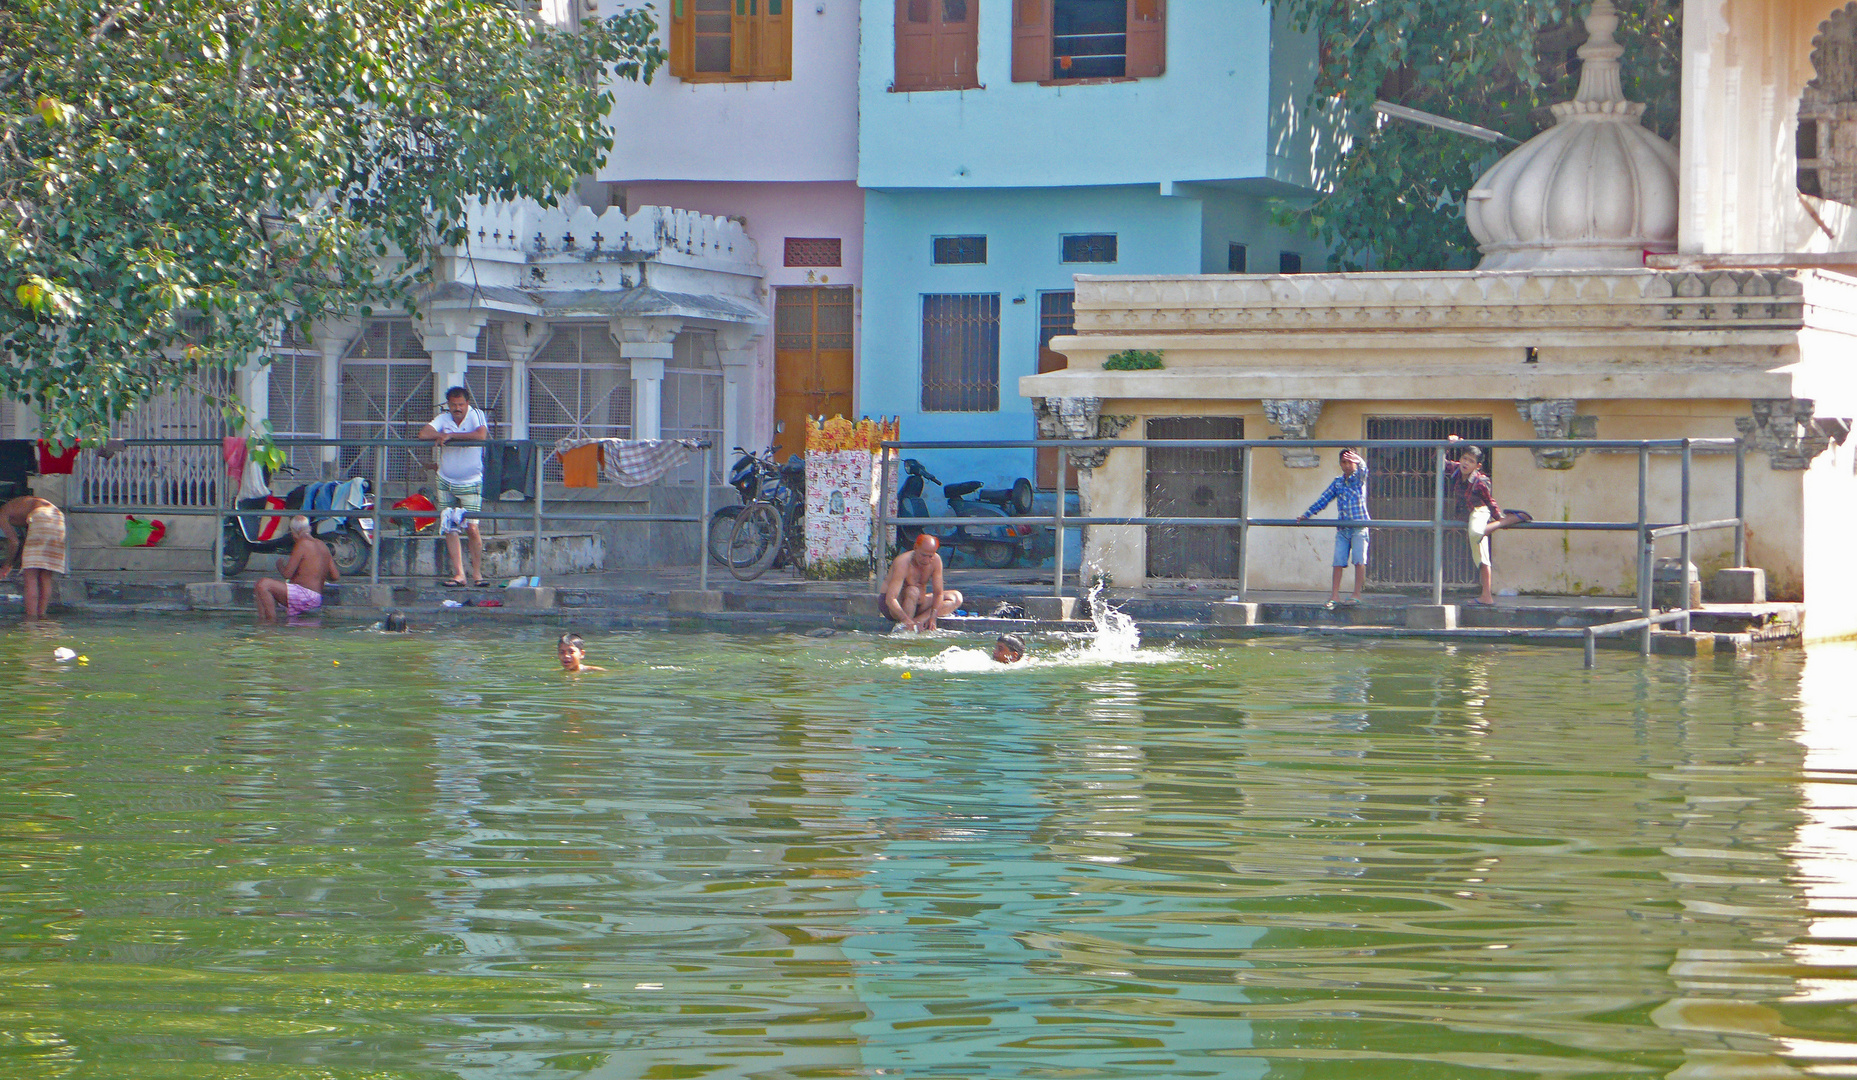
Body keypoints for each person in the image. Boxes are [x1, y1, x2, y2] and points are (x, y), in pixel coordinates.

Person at [1444, 437, 1531, 606]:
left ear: (1477, 466)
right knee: (1481, 556)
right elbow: (1439, 463)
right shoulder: (1456, 470)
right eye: (1464, 458)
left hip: (1480, 512)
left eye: (1471, 461)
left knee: (1477, 533)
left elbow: (1490, 502)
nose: (1466, 463)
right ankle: (1486, 596)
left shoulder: (1481, 481)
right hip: (1469, 515)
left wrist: (1498, 520)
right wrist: (1448, 445)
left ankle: (1506, 521)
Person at [419, 386, 489, 588]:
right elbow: (424, 433)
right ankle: (459, 574)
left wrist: (451, 436)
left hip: (471, 481)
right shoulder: (444, 418)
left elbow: (481, 435)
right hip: (445, 479)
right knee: (450, 526)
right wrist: (440, 434)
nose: (457, 408)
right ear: (448, 405)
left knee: (473, 528)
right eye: (453, 405)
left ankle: (477, 574)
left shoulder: (477, 415)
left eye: (461, 404)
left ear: (467, 403)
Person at [1298, 448, 1371, 608]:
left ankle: (1356, 594)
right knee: (1338, 561)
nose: (1346, 466)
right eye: (1344, 462)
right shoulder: (1338, 482)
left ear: (1355, 463)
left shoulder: (1358, 479)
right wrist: (1307, 514)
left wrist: (1360, 462)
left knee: (1359, 561)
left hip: (1359, 527)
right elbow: (1323, 499)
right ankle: (1335, 595)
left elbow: (1364, 471)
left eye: (1350, 462)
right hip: (1343, 529)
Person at [255, 515, 339, 622]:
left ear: (294, 532)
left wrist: (280, 566)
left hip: (304, 596)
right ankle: (263, 621)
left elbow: (287, 574)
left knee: (262, 584)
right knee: (260, 588)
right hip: (316, 598)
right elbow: (335, 576)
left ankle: (270, 624)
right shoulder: (323, 546)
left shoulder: (302, 543)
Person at [1, 495, 66, 619]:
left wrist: (6, 566)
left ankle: (31, 620)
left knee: (30, 574)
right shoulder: (18, 506)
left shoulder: (2, 512)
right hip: (58, 517)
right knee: (45, 574)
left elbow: (14, 542)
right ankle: (42, 617)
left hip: (42, 516)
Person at [880, 533, 963, 631]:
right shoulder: (903, 562)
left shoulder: (936, 560)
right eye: (923, 555)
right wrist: (904, 618)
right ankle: (907, 626)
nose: (926, 560)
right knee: (912, 591)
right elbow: (890, 599)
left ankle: (917, 621)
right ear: (915, 548)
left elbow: (938, 593)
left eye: (930, 556)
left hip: (919, 603)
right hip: (894, 607)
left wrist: (933, 617)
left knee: (956, 597)